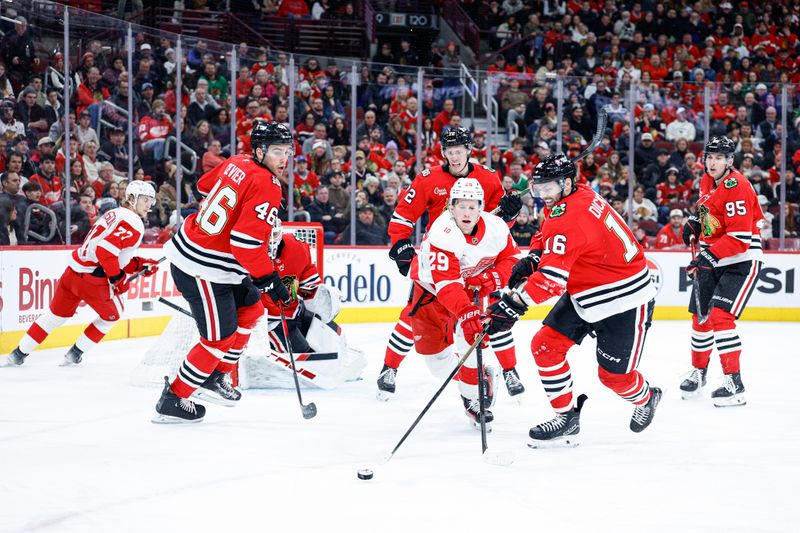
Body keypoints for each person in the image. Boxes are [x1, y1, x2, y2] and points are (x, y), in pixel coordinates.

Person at [488, 153, 662, 447]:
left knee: (614, 378)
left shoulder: (571, 215)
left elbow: (552, 281)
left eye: (550, 188)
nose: (544, 195)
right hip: (586, 289)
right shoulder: (571, 198)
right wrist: (534, 255)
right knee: (545, 347)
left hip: (625, 299)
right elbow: (548, 233)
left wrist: (513, 304)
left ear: (568, 183)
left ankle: (647, 397)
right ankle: (567, 418)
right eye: (539, 188)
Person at [155, 122, 293, 423]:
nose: (284, 159)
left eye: (287, 151)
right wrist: (270, 280)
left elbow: (203, 187)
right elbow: (244, 243)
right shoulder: (269, 185)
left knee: (252, 310)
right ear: (259, 151)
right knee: (218, 339)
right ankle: (174, 398)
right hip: (203, 268)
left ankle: (215, 374)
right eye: (277, 151)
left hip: (209, 259)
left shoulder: (236, 161)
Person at [377, 126, 524, 400]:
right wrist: (400, 244)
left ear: (469, 150)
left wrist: (511, 215)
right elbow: (402, 216)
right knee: (414, 313)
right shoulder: (427, 178)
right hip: (441, 261)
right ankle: (389, 368)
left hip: (477, 263)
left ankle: (509, 370)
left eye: (459, 151)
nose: (454, 157)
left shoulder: (489, 179)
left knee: (491, 316)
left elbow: (496, 225)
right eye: (449, 152)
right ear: (443, 152)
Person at [408, 177, 523, 427]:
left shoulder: (496, 227)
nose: (467, 212)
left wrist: (494, 277)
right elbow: (447, 285)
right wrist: (468, 313)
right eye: (461, 206)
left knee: (472, 347)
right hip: (431, 295)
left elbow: (512, 258)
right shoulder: (443, 232)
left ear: (481, 208)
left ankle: (473, 400)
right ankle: (474, 377)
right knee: (438, 365)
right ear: (450, 206)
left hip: (470, 291)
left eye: (472, 206)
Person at [6, 182, 159, 366]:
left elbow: (113, 254)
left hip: (72, 274)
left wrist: (140, 265)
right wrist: (117, 279)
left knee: (54, 317)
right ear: (132, 198)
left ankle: (18, 354)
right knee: (113, 315)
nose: (149, 204)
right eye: (145, 199)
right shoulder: (133, 222)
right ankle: (75, 353)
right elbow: (105, 251)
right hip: (92, 280)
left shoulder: (114, 213)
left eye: (151, 200)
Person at [679, 136, 765, 407]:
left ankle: (734, 383)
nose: (712, 162)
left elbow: (739, 237)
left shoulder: (737, 185)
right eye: (709, 156)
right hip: (714, 257)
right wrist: (695, 221)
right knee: (700, 318)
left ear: (730, 161)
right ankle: (699, 372)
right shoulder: (707, 179)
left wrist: (707, 254)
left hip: (740, 260)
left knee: (719, 316)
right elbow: (707, 210)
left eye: (719, 157)